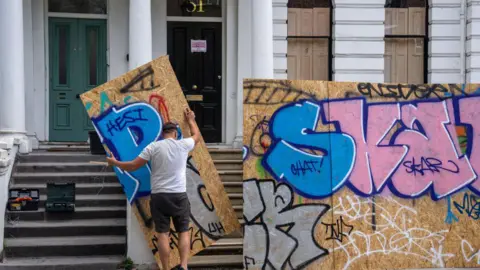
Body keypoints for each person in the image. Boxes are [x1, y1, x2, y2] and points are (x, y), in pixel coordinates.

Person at [106, 107, 200, 270]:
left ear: (162, 134)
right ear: (175, 133)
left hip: (159, 197)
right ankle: (184, 267)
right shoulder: (183, 145)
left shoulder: (153, 147)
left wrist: (115, 163)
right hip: (179, 196)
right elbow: (196, 136)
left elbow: (133, 166)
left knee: (162, 234)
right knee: (183, 231)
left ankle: (165, 268)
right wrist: (191, 120)